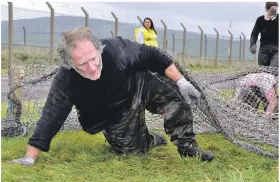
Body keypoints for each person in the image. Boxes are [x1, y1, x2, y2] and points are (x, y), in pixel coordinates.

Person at [8, 27, 214, 166]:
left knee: (176, 95)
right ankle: (149, 140)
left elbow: (155, 56)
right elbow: (50, 117)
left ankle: (188, 148)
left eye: (94, 58)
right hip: (115, 112)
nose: (92, 67)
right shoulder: (65, 81)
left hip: (139, 85)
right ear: (70, 64)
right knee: (132, 153)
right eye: (82, 64)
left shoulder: (118, 49)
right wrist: (29, 158)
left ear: (99, 49)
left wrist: (181, 81)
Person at [250, 2, 278, 67]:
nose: (274, 12)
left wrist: (275, 20)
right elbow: (254, 34)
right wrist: (252, 44)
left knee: (273, 69)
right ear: (266, 9)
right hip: (264, 49)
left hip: (277, 49)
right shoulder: (260, 20)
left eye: (275, 10)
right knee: (263, 70)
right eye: (272, 10)